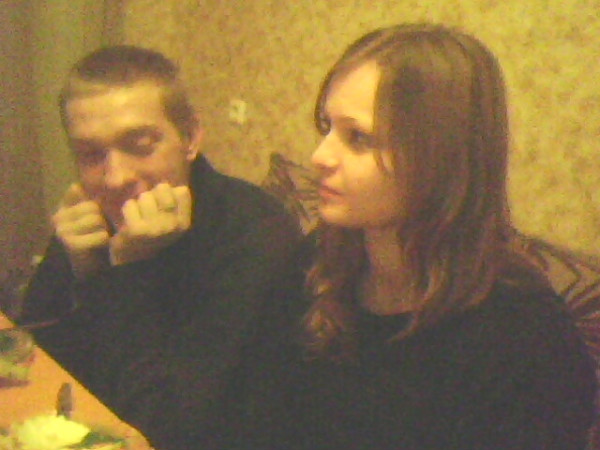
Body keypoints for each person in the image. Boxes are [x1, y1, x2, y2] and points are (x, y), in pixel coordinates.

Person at [231, 24, 598, 450]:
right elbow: (250, 415)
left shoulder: (524, 336)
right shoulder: (315, 263)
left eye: (359, 138)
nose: (320, 157)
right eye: (327, 127)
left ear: (438, 157)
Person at [17, 46, 301, 450]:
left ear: (191, 138)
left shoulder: (257, 235)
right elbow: (33, 362)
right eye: (91, 154)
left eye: (140, 145)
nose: (115, 178)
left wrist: (129, 272)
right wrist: (83, 272)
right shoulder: (96, 208)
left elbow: (164, 427)